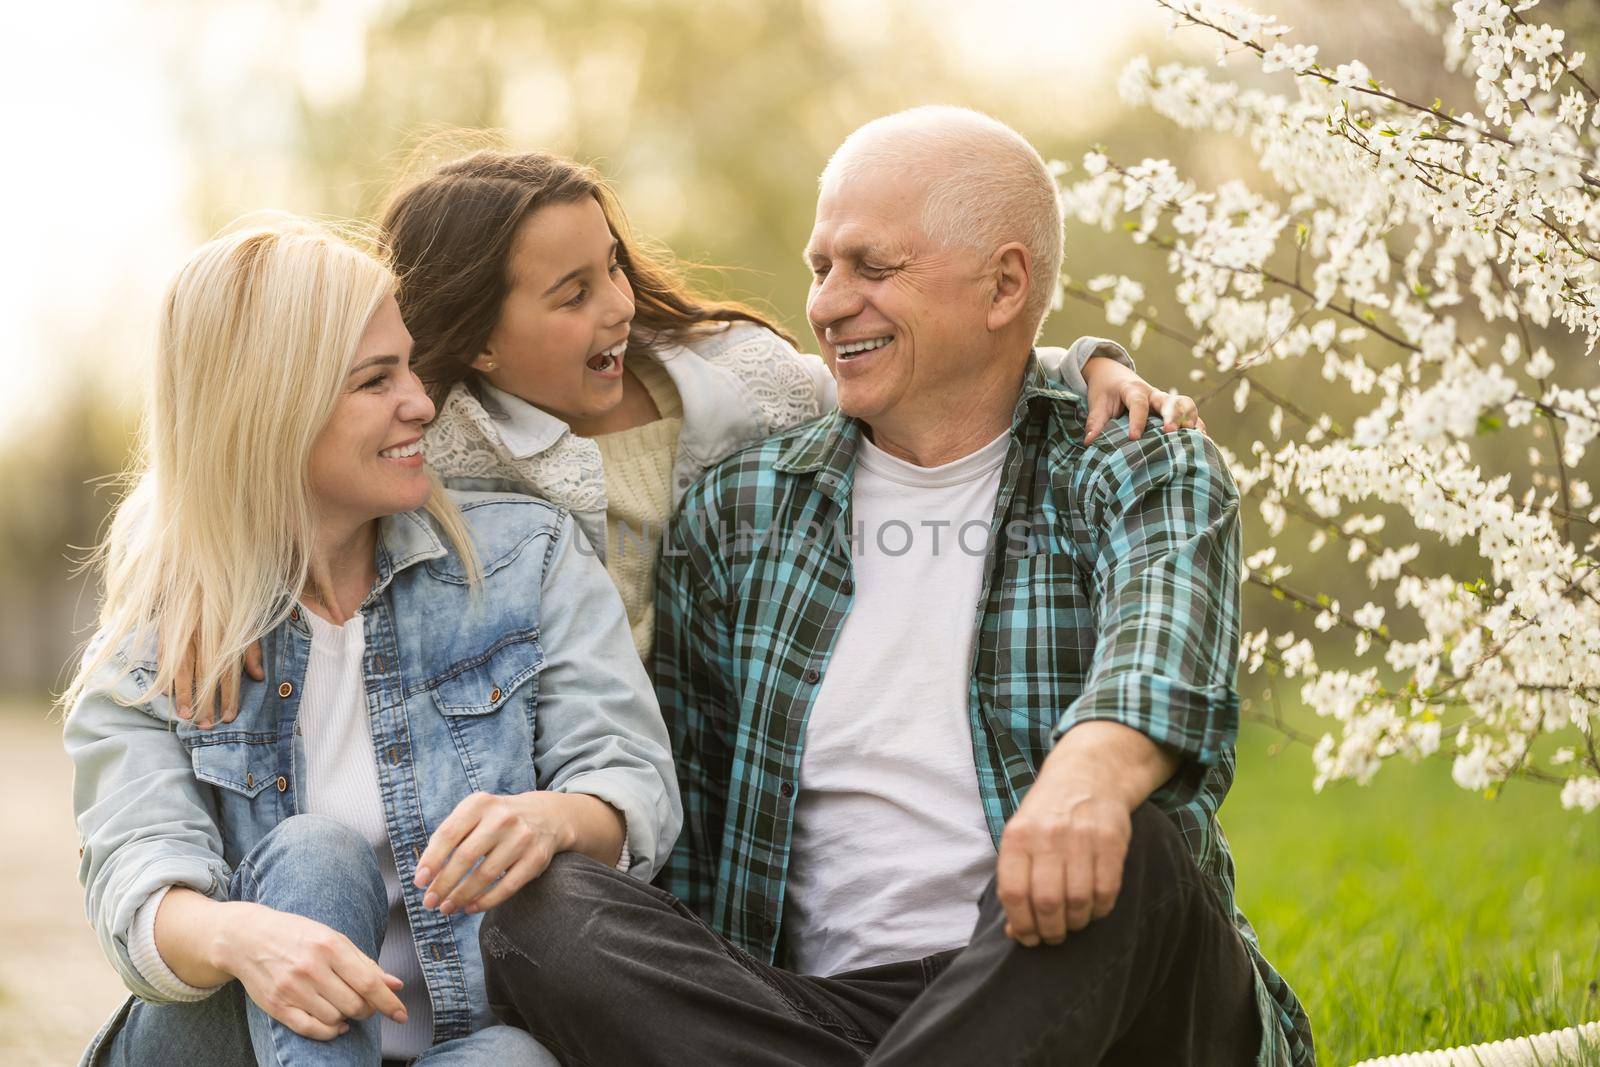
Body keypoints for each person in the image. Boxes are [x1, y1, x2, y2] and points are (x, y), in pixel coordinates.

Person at [477, 108, 1315, 1066]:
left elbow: (1162, 660)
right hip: (824, 1021)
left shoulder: (1134, 465)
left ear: (1005, 285)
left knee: (1138, 850)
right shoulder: (742, 509)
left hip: (1092, 989)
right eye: (821, 269)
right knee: (543, 911)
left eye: (871, 269)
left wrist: (1084, 780)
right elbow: (693, 851)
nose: (829, 304)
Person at [63, 215, 679, 1066]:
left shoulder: (525, 559)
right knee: (316, 858)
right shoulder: (166, 629)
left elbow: (630, 778)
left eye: (412, 367)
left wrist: (553, 818)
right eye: (375, 380)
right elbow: (137, 884)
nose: (422, 402)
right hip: (220, 1041)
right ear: (273, 409)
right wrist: (245, 937)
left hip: (460, 1041)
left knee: (516, 1062)